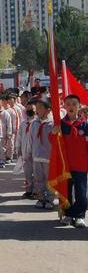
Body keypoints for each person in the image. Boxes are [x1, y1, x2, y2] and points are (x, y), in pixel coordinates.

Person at [54, 94, 88, 228]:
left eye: (74, 104)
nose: (71, 107)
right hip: (65, 165)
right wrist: (53, 133)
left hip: (81, 165)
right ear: (64, 107)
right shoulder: (60, 124)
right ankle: (68, 215)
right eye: (68, 104)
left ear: (79, 107)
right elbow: (54, 144)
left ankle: (79, 216)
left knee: (82, 194)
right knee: (66, 193)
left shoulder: (85, 125)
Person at [28, 98, 54, 210]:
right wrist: (29, 152)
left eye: (40, 108)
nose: (37, 110)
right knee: (38, 179)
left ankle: (50, 199)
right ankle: (41, 198)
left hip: (49, 157)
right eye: (36, 107)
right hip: (36, 156)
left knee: (49, 179)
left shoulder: (53, 124)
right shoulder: (34, 123)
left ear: (48, 110)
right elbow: (31, 139)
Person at [17, 100, 36, 199]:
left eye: (31, 109)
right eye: (27, 109)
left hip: (35, 152)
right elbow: (19, 137)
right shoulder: (23, 123)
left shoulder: (37, 123)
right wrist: (18, 148)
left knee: (36, 174)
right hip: (25, 152)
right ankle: (28, 190)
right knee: (27, 173)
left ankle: (37, 192)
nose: (29, 110)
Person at [0, 97, 12, 168]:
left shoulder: (5, 113)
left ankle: (2, 160)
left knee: (2, 148)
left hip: (3, 134)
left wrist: (9, 133)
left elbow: (9, 124)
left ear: (1, 103)